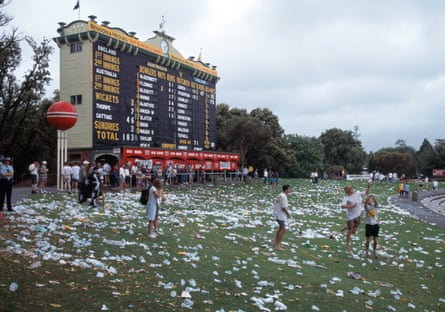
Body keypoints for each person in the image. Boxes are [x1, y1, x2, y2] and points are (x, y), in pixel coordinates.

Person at [341, 182, 371, 254]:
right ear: (347, 191)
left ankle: (346, 226)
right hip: (350, 217)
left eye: (351, 188)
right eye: (349, 189)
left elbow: (366, 193)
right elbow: (342, 206)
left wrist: (368, 186)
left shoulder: (357, 193)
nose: (351, 190)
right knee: (350, 232)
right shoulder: (346, 198)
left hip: (358, 215)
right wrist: (351, 206)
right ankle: (348, 247)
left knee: (354, 231)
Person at [273, 184, 291, 250]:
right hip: (280, 214)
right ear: (286, 189)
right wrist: (288, 214)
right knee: (283, 229)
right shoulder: (283, 196)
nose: (290, 190)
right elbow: (283, 208)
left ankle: (276, 243)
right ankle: (277, 245)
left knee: (281, 228)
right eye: (289, 189)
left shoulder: (280, 195)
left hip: (277, 213)